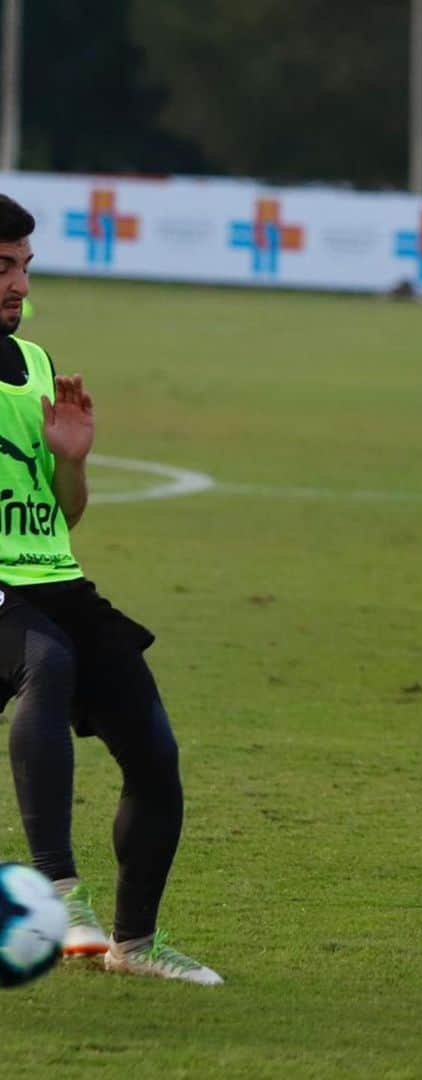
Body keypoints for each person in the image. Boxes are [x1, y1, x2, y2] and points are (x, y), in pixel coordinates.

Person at [0, 194, 221, 985]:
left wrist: (72, 459)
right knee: (47, 667)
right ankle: (58, 892)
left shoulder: (32, 364)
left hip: (55, 580)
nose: (20, 284)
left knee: (156, 755)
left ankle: (135, 945)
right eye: (4, 266)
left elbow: (65, 515)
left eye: (25, 267)